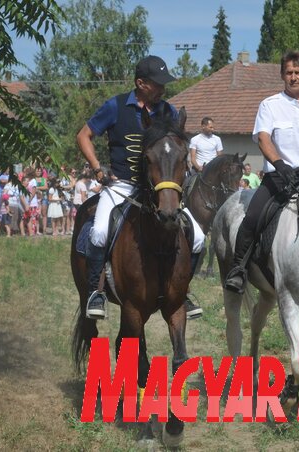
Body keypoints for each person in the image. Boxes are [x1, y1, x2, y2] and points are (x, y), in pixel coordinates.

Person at [76, 55, 205, 320]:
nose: (163, 89)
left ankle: (183, 291)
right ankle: (95, 292)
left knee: (199, 237)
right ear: (140, 83)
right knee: (99, 232)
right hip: (121, 184)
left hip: (159, 188)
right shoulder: (116, 106)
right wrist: (98, 168)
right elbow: (83, 135)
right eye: (157, 84)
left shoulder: (168, 111)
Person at [224, 50, 299, 293]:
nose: (293, 77)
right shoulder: (270, 105)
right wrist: (280, 164)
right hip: (279, 176)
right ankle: (239, 269)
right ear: (282, 75)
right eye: (289, 72)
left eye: (298, 72)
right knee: (253, 217)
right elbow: (264, 139)